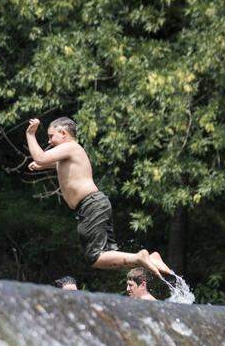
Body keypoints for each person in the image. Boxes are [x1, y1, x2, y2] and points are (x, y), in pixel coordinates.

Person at [26, 116, 171, 278]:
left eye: (51, 136)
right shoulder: (71, 153)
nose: (49, 141)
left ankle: (139, 257)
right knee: (107, 255)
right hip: (96, 204)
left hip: (91, 205)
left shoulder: (70, 147)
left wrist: (31, 135)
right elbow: (53, 163)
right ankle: (150, 259)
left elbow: (41, 157)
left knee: (94, 257)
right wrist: (41, 165)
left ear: (63, 133)